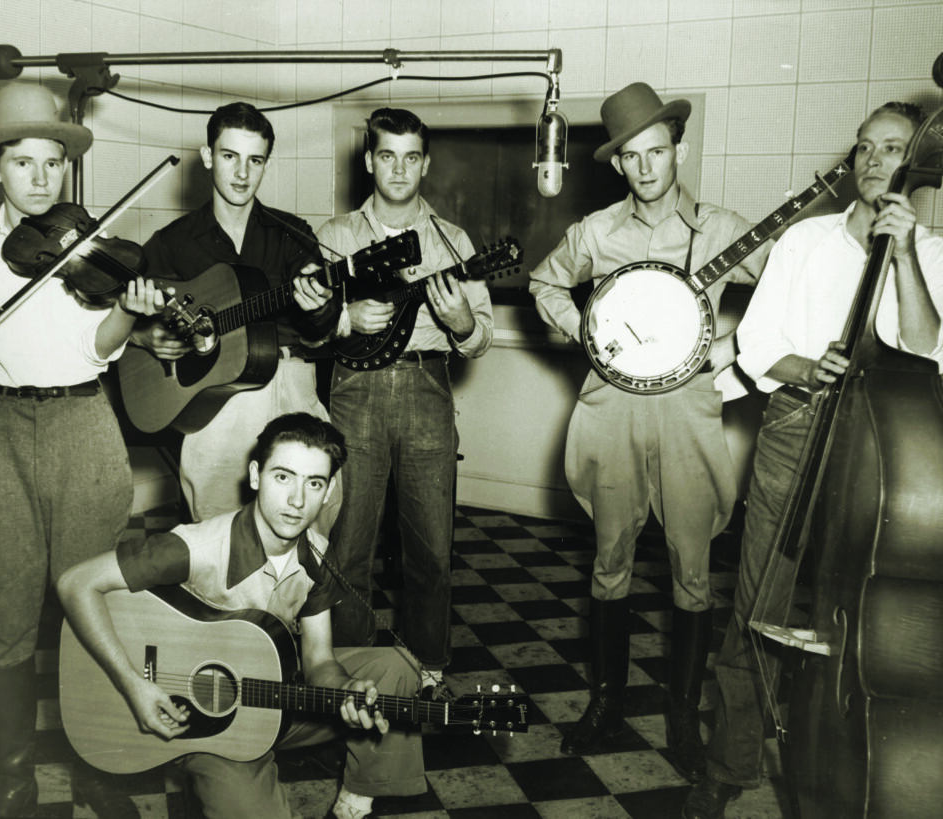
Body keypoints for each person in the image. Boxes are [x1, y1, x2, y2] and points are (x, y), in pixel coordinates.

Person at [683, 101, 943, 818]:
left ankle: (844, 756)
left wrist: (909, 252)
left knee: (866, 606)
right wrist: (809, 366)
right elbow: (761, 343)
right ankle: (729, 763)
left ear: (917, 162)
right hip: (797, 424)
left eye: (890, 148)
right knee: (757, 602)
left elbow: (929, 349)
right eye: (862, 147)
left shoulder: (939, 250)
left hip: (887, 447)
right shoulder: (805, 240)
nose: (871, 161)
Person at [0, 83, 168, 817]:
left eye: (52, 163)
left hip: (83, 427)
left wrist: (125, 311)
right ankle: (13, 771)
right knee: (8, 613)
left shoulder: (92, 251)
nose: (40, 178)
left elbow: (98, 350)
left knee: (88, 601)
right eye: (23, 162)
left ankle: (98, 763)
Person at [528, 82, 770, 779]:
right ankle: (605, 705)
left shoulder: (720, 228)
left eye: (656, 152)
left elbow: (792, 288)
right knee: (610, 562)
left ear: (679, 150)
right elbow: (546, 284)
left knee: (694, 572)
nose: (645, 167)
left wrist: (738, 350)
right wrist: (587, 330)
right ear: (616, 164)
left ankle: (684, 718)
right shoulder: (597, 232)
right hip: (611, 410)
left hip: (689, 414)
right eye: (631, 157)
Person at [57, 412, 426, 819]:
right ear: (255, 475)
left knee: (396, 668)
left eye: (314, 483)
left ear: (330, 491)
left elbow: (319, 660)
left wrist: (348, 688)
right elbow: (75, 583)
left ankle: (356, 800)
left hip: (275, 694)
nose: (297, 501)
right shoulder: (194, 547)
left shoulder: (318, 553)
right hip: (199, 723)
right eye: (283, 477)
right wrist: (132, 686)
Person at [316, 107, 493, 701]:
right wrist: (344, 319)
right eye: (387, 155)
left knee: (431, 548)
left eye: (411, 156)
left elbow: (481, 341)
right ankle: (347, 670)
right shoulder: (334, 236)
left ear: (425, 163)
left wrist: (462, 321)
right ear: (369, 161)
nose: (399, 168)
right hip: (354, 392)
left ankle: (429, 670)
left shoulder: (454, 241)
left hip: (427, 388)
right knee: (348, 545)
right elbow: (306, 327)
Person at [132, 101, 341, 528]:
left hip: (288, 386)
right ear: (209, 157)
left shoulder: (292, 233)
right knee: (217, 527)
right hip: (214, 401)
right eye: (230, 157)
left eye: (255, 160)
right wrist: (146, 336)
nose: (242, 174)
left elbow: (320, 328)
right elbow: (135, 316)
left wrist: (319, 307)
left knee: (315, 515)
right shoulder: (172, 242)